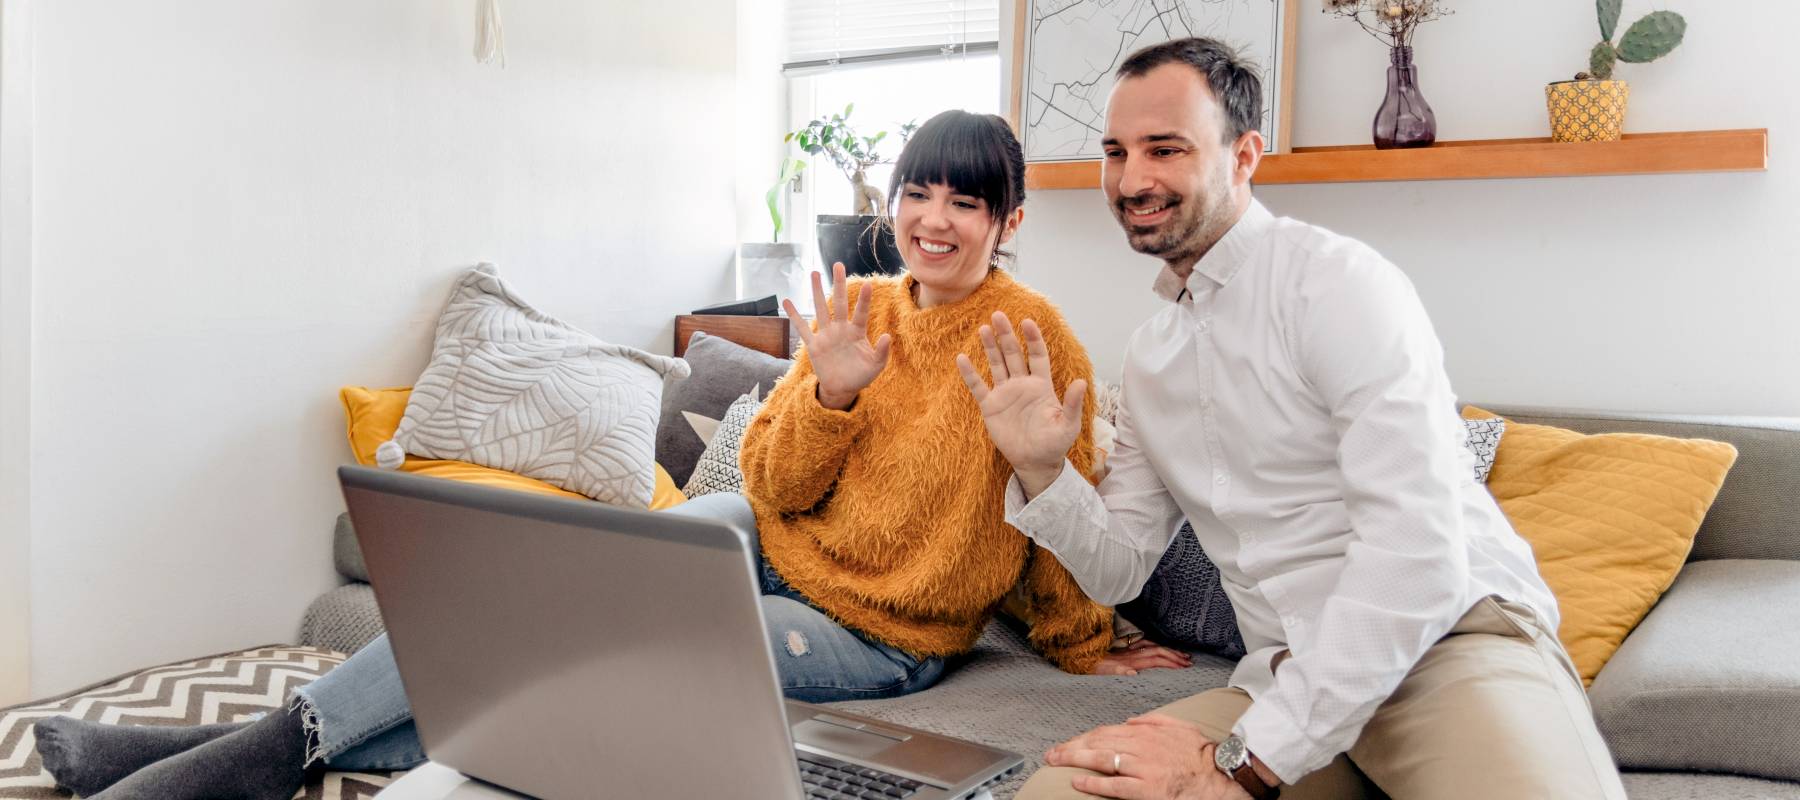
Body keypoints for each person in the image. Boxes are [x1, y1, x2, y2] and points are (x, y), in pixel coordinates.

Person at [31, 109, 1188, 800]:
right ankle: (268, 744)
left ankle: (237, 755)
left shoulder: (1037, 341)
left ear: (1011, 218)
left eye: (966, 201)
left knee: (590, 646)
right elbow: (776, 485)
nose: (936, 218)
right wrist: (828, 392)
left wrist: (1089, 645)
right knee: (556, 593)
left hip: (881, 632)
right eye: (917, 192)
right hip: (769, 541)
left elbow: (1056, 515)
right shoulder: (862, 306)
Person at [957, 38, 1628, 800]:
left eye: (1165, 148)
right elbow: (1121, 567)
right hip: (1283, 673)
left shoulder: (1339, 287)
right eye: (1116, 151)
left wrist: (1244, 768)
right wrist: (1043, 469)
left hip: (1445, 648)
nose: (1132, 179)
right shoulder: (1152, 357)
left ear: (1245, 156)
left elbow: (1418, 551)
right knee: (1055, 796)